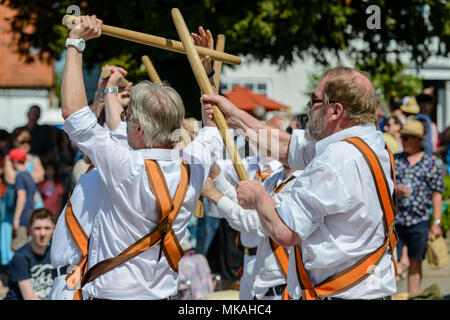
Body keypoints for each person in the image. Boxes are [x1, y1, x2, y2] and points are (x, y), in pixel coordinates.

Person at [60, 16, 223, 300]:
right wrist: (205, 72)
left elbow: (74, 114)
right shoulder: (193, 165)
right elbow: (214, 124)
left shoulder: (126, 166)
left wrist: (76, 42)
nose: (124, 122)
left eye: (128, 118)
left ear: (137, 128)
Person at [201, 66, 398, 300]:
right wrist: (234, 116)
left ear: (335, 111)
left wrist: (257, 196)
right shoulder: (370, 142)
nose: (307, 107)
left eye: (314, 100)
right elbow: (286, 146)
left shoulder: (335, 160)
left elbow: (286, 232)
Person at [47, 65, 131, 300]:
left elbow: (79, 120)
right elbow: (90, 128)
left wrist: (110, 93)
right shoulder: (114, 161)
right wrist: (105, 94)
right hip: (68, 282)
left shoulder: (125, 164)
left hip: (80, 282)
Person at [394, 119, 444, 294]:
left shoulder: (430, 162)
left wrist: (436, 223)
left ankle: (412, 297)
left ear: (418, 140)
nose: (404, 141)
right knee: (394, 263)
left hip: (419, 221)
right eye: (403, 138)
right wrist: (395, 189)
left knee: (416, 262)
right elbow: (382, 186)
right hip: (396, 221)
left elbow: (437, 194)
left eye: (407, 138)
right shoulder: (395, 160)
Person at [4, 208, 55, 300]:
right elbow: (29, 297)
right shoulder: (20, 257)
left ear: (53, 229)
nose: (42, 233)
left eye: (47, 228)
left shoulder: (56, 254)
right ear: (29, 229)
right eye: (37, 228)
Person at [9, 148, 38, 251]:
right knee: (27, 246)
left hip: (22, 217)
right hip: (30, 215)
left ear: (15, 161)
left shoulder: (19, 176)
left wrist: (16, 218)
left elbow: (22, 196)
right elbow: (35, 198)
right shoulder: (29, 175)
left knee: (18, 247)